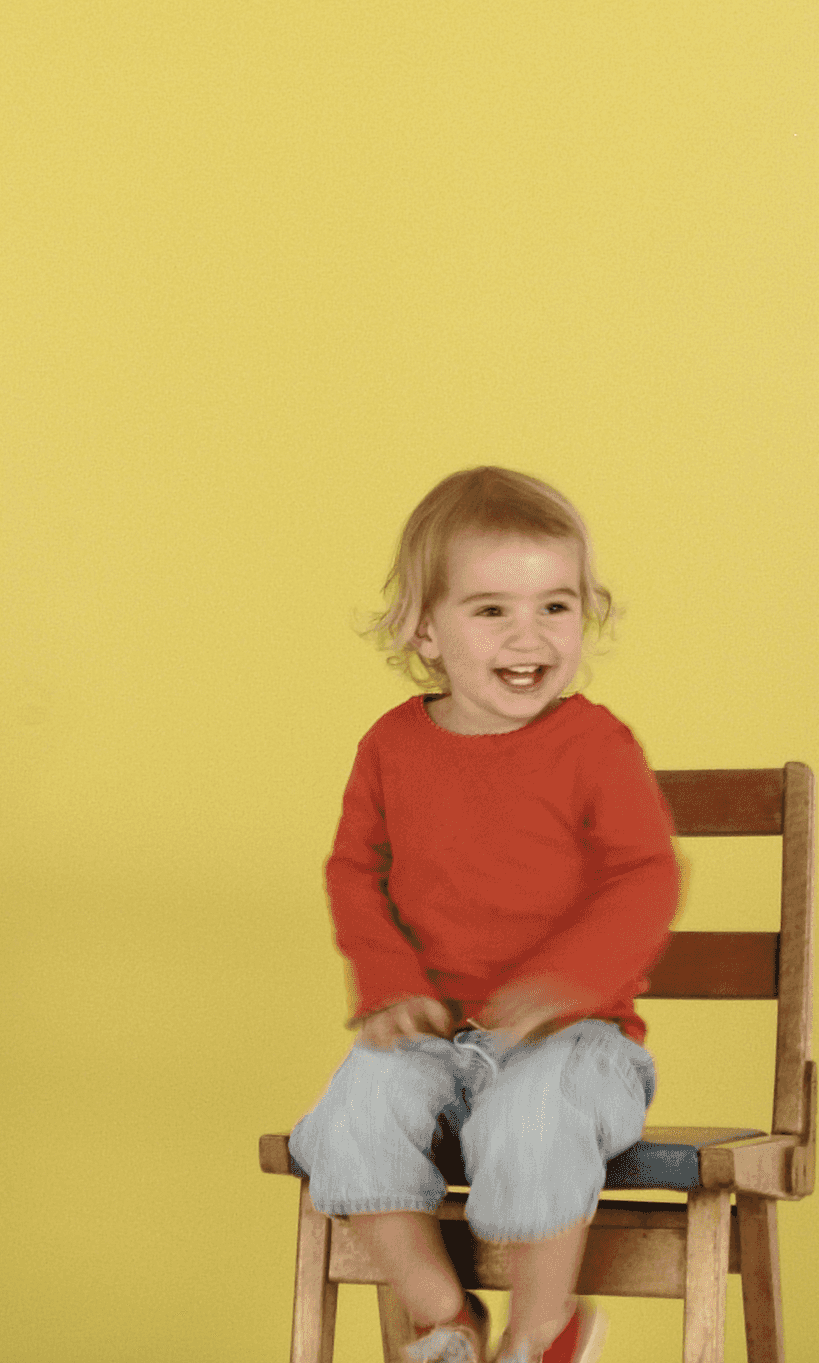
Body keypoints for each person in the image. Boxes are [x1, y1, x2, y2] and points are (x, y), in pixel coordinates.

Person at [287, 466, 680, 1363]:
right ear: (425, 627)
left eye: (556, 607)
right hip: (435, 1039)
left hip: (578, 1044)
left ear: (588, 614)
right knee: (351, 1113)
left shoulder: (595, 746)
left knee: (532, 1117)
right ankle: (443, 1316)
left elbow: (645, 876)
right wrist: (388, 984)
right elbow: (358, 871)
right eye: (492, 609)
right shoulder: (391, 747)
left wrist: (570, 982)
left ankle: (546, 1328)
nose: (529, 636)